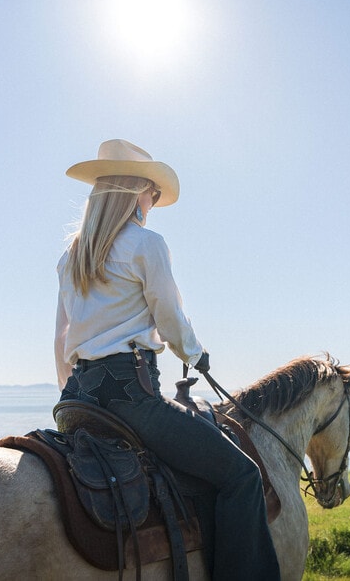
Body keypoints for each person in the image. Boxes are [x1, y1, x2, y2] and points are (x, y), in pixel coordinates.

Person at [54, 139, 280, 580]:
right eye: (152, 194)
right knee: (242, 476)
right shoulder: (146, 243)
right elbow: (169, 316)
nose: (153, 203)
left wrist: (69, 391)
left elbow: (62, 337)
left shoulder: (70, 258)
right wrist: (197, 356)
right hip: (130, 399)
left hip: (77, 398)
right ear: (136, 191)